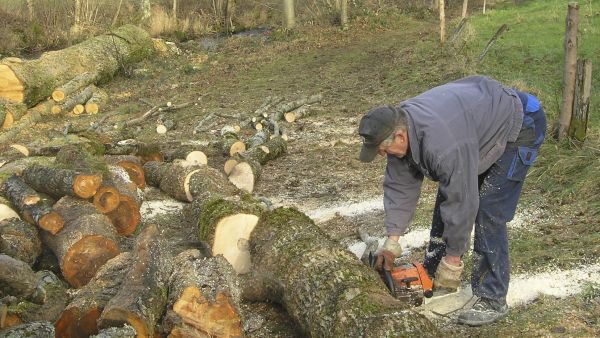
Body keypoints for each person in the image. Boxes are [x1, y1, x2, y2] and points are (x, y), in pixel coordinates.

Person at [358, 75, 546, 326]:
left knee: (487, 209)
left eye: (382, 149)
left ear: (400, 137)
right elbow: (399, 187)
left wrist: (454, 259)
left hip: (520, 123)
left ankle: (493, 298)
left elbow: (461, 199)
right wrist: (392, 241)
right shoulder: (396, 124)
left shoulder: (441, 144)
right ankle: (434, 270)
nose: (382, 155)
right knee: (452, 192)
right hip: (474, 122)